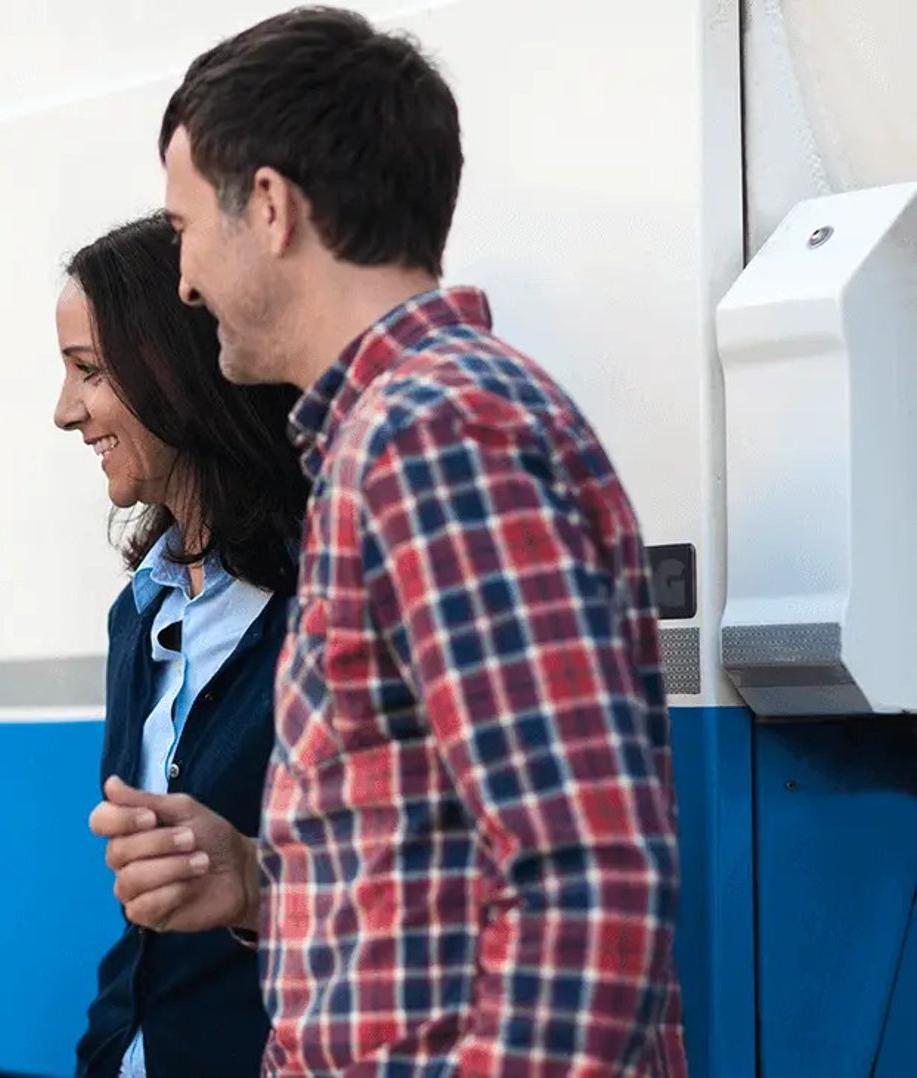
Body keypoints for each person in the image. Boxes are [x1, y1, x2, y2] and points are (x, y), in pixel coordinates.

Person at [91, 8, 688, 1075]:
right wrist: (258, 882)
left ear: (268, 208)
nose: (182, 282)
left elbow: (585, 876)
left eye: (185, 229)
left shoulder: (433, 435)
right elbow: (447, 870)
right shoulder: (408, 431)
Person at [55, 212, 310, 1078]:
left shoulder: (327, 609)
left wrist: (254, 880)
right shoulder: (140, 613)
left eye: (87, 371)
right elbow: (143, 932)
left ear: (177, 367)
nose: (64, 413)